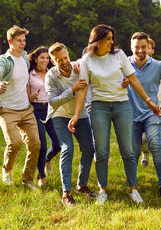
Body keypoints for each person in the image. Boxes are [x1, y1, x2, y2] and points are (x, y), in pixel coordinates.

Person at [68, 24, 160, 204]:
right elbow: (83, 88)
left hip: (121, 106)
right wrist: (76, 114)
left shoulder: (118, 55)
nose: (112, 42)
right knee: (101, 150)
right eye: (108, 38)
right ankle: (103, 190)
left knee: (127, 149)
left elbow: (132, 79)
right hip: (98, 107)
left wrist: (149, 101)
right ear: (98, 40)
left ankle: (133, 189)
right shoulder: (87, 60)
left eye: (112, 38)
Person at [0, 25, 40, 189]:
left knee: (35, 143)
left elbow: (43, 59)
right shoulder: (3, 60)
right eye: (19, 41)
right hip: (7, 109)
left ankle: (27, 180)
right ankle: (7, 169)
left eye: (24, 40)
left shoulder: (25, 58)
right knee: (15, 143)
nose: (22, 43)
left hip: (26, 109)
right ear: (10, 41)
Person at [128, 32, 161, 197]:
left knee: (156, 145)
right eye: (136, 47)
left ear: (148, 48)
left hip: (152, 113)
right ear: (131, 48)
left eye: (143, 47)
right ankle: (131, 182)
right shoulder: (124, 65)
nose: (140, 50)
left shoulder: (157, 65)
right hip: (130, 116)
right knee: (133, 150)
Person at [46, 42, 96, 206]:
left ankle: (81, 185)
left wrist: (81, 61)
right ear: (53, 62)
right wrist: (72, 89)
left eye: (65, 57)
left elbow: (90, 61)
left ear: (69, 55)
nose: (64, 62)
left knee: (89, 148)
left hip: (81, 115)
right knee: (67, 148)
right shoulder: (51, 76)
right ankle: (66, 193)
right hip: (60, 115)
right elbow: (53, 102)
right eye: (59, 60)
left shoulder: (78, 67)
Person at [27, 47, 61, 187]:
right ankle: (41, 176)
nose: (45, 61)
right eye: (42, 58)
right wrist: (32, 97)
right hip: (35, 110)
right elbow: (27, 95)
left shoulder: (51, 73)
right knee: (41, 145)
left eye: (47, 58)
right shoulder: (29, 74)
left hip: (50, 109)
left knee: (58, 144)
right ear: (35, 59)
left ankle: (47, 160)